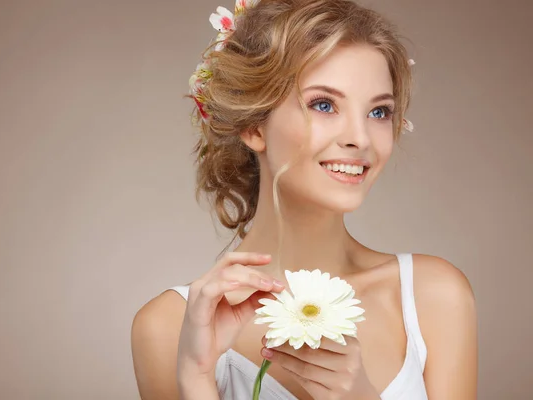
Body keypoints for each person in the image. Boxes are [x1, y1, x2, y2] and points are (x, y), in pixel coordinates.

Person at [131, 0, 478, 399]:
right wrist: (196, 376)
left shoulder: (434, 296)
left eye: (379, 112)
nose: (360, 139)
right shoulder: (168, 325)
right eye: (324, 104)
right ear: (253, 126)